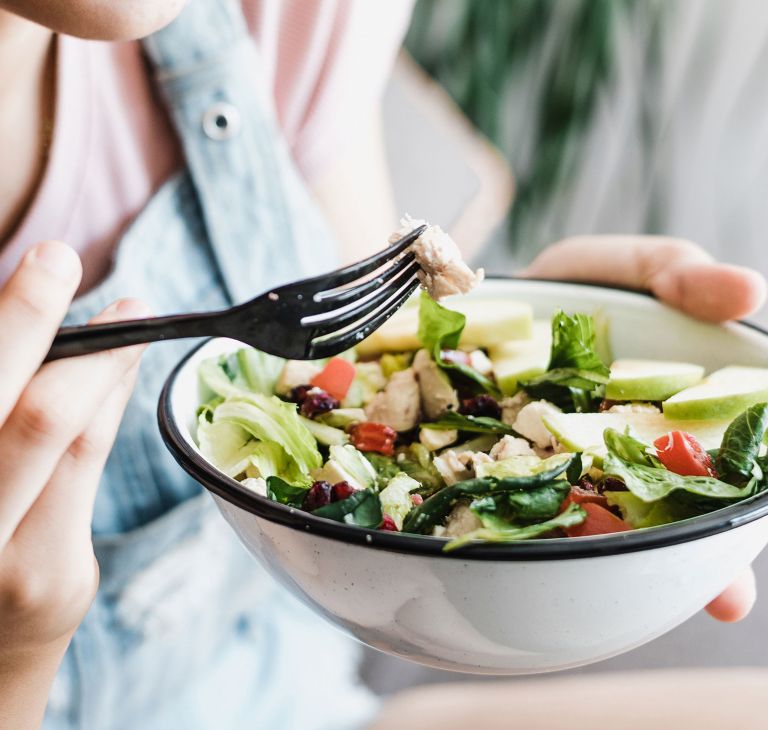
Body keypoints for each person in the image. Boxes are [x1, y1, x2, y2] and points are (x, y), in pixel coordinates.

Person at [0, 1, 763, 728]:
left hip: (298, 694)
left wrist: (521, 357)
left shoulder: (275, 17)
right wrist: (17, 658)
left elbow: (376, 357)